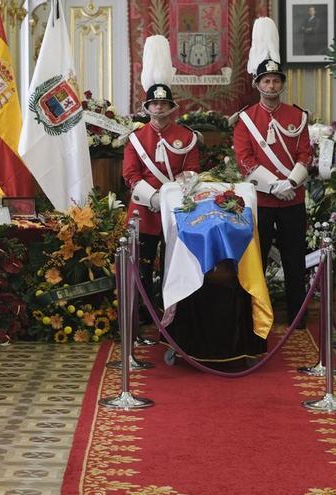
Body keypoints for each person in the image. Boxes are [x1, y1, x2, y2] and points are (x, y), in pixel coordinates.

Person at [234, 18, 313, 331]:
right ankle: (257, 316)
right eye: (266, 81)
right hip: (263, 201)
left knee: (295, 261)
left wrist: (290, 183)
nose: (271, 86)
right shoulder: (246, 120)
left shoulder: (298, 116)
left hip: (293, 198)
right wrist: (273, 186)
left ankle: (297, 317)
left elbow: (305, 153)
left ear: (282, 84)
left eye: (276, 81)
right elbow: (244, 159)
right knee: (259, 261)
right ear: (257, 84)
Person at [123, 35, 200, 320]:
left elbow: (191, 172)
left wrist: (170, 198)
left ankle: (175, 317)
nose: (158, 109)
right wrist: (154, 198)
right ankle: (142, 319)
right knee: (141, 269)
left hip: (176, 212)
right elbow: (130, 175)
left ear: (171, 107)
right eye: (154, 105)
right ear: (147, 108)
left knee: (175, 266)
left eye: (163, 104)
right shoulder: (135, 138)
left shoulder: (186, 137)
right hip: (143, 212)